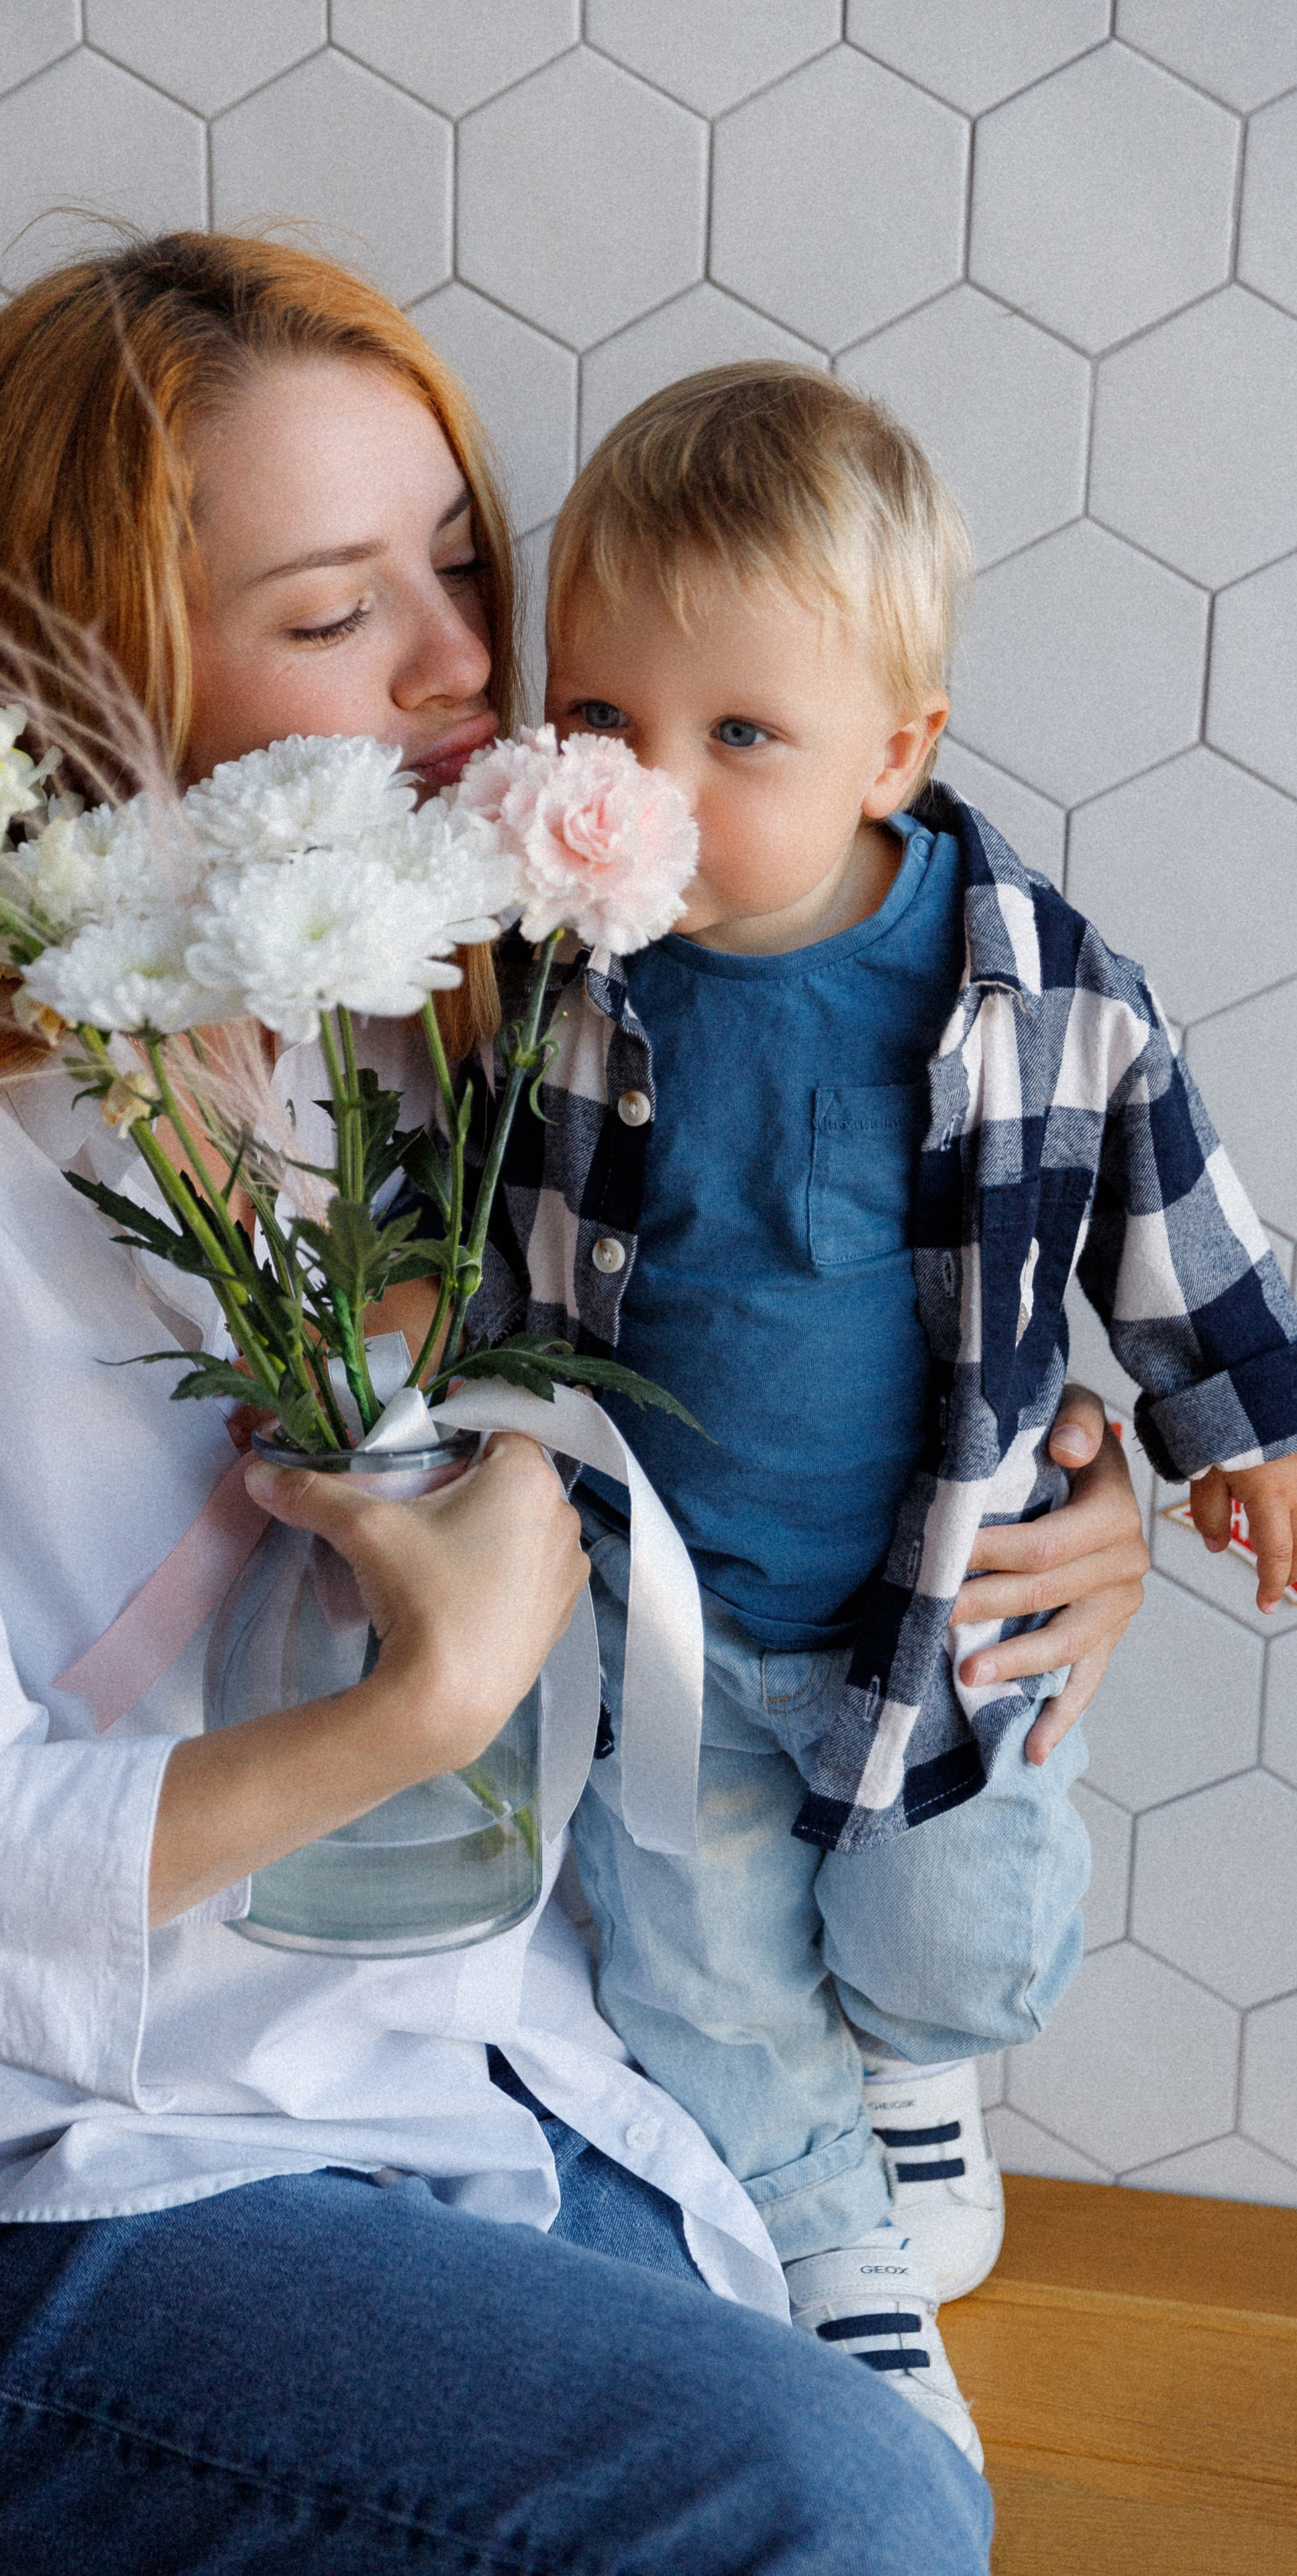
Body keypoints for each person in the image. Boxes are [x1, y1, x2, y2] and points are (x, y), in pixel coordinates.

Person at [0, 239, 1136, 2576]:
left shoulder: (437, 1025)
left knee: (911, 2505)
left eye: (462, 565)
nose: (470, 670)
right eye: (341, 613)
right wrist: (415, 1702)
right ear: (90, 659)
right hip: (77, 2184)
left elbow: (891, 1154)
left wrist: (1047, 1491)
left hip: (514, 2058)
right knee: (842, 2521)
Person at [472, 360, 1297, 2461]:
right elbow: (490, 1218)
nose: (656, 788)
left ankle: (923, 2076)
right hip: (659, 1604)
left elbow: (1168, 1205)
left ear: (893, 753)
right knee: (698, 1962)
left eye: (741, 737)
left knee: (953, 1931)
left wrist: (1253, 1431)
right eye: (604, 724)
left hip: (940, 1605)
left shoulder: (1031, 989)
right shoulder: (566, 970)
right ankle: (835, 2249)